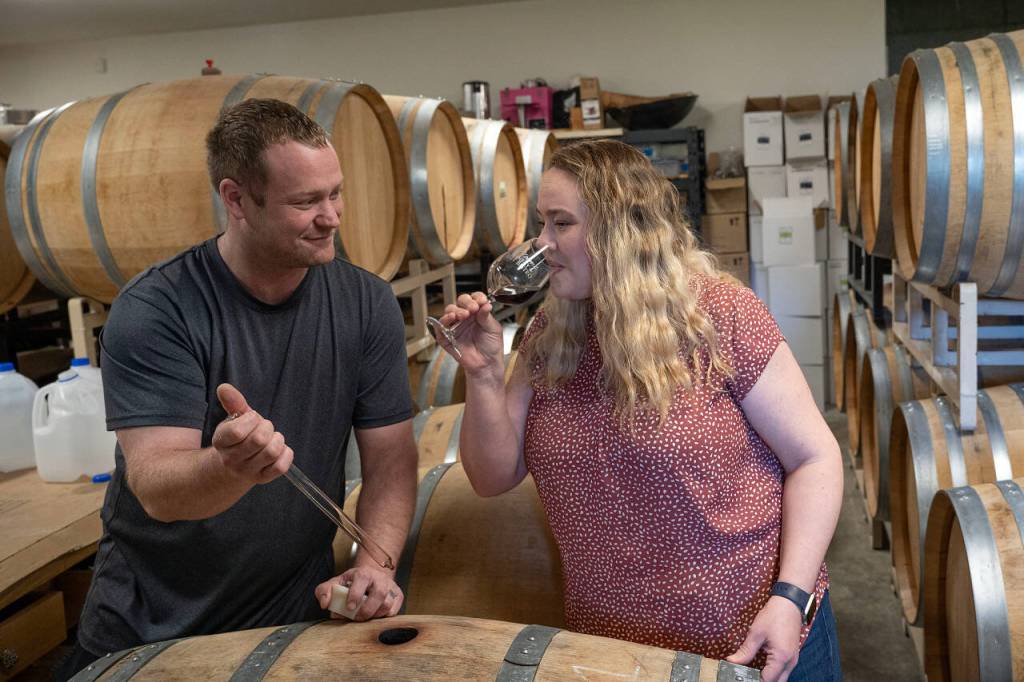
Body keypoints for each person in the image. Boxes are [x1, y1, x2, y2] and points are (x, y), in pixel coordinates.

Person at [435, 139, 844, 682]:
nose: (542, 244)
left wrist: (790, 599)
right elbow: (490, 477)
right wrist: (483, 374)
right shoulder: (549, 336)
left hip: (754, 641)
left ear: (619, 230)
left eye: (561, 224)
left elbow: (815, 457)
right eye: (542, 224)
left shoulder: (716, 316)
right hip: (615, 656)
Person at [59, 99, 418, 679]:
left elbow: (392, 460)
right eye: (305, 202)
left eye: (336, 193)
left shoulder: (366, 303)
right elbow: (157, 489)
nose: (332, 217)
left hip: (289, 630)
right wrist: (230, 468)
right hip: (152, 638)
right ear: (235, 199)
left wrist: (376, 561)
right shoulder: (158, 309)